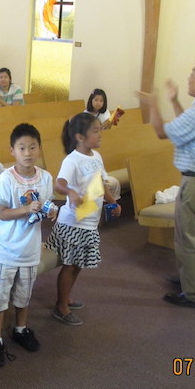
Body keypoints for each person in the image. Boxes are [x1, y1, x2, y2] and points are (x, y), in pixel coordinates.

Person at [136, 57, 195, 309]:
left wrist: (153, 104)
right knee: (190, 234)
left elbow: (161, 132)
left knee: (187, 239)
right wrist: (174, 101)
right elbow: (186, 128)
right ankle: (188, 278)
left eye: (192, 74)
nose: (189, 77)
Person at [0, 123, 55, 368]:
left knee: (24, 293)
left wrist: (50, 211)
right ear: (12, 150)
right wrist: (26, 209)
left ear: (39, 148)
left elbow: (45, 205)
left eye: (32, 147)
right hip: (6, 249)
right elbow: (2, 213)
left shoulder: (45, 178)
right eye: (22, 148)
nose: (27, 153)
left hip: (30, 249)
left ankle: (20, 329)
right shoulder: (5, 179)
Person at [45, 113, 121, 326]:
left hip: (89, 222)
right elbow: (59, 183)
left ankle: (67, 297)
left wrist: (113, 202)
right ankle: (61, 306)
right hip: (73, 223)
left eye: (99, 130)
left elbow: (101, 184)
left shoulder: (96, 157)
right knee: (69, 265)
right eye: (95, 131)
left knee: (78, 264)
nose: (100, 134)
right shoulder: (72, 160)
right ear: (79, 137)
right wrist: (70, 192)